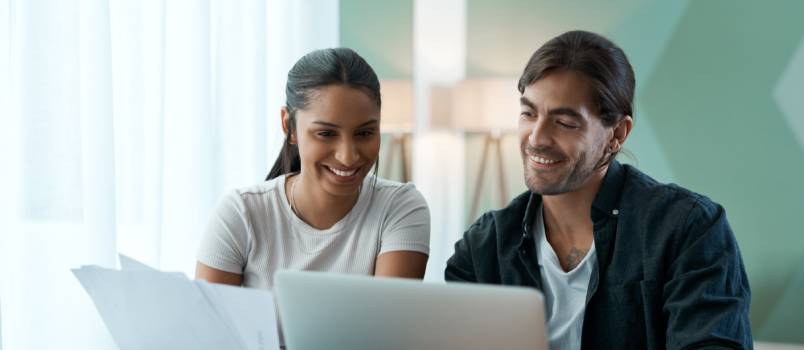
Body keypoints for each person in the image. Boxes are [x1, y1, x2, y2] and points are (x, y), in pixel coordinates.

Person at [445, 30, 751, 349]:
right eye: (528, 114)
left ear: (617, 133)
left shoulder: (688, 231)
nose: (536, 138)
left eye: (565, 123)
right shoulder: (484, 247)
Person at [196, 48, 430, 289]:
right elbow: (208, 313)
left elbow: (389, 313)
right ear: (289, 126)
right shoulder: (241, 214)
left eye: (364, 133)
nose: (348, 157)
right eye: (326, 134)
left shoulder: (400, 207)